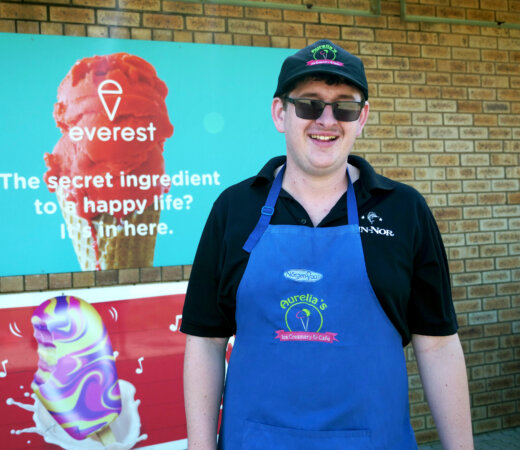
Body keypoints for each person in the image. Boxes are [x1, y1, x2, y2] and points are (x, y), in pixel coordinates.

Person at [181, 39, 473, 449]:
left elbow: (438, 344)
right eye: (310, 104)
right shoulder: (235, 208)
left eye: (345, 106)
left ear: (363, 117)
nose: (327, 120)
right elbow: (206, 341)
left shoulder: (404, 210)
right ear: (280, 113)